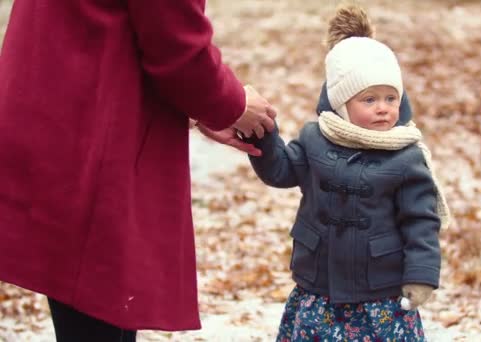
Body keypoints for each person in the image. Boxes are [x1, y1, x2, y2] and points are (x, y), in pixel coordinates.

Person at [0, 0, 275, 341]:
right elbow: (177, 47)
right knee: (96, 309)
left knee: (92, 311)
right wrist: (232, 104)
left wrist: (202, 110)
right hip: (90, 142)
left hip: (55, 112)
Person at [247, 4, 450, 341]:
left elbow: (420, 221)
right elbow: (281, 171)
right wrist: (264, 136)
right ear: (341, 102)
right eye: (369, 100)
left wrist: (421, 275)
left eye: (390, 97)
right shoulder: (315, 138)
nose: (383, 107)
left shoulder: (406, 154)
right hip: (319, 288)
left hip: (379, 295)